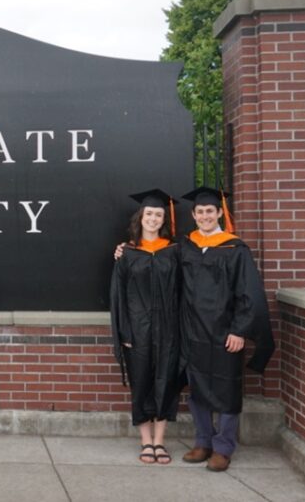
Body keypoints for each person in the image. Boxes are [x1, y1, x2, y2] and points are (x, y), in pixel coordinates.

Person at [177, 187, 274, 473]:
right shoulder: (186, 246)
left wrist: (240, 330)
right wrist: (123, 251)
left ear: (220, 213)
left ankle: (223, 447)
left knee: (227, 388)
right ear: (193, 215)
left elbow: (249, 294)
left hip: (224, 333)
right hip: (193, 332)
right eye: (200, 212)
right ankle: (203, 441)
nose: (205, 216)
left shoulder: (235, 249)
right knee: (197, 390)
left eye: (210, 211)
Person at [109, 189, 182, 465]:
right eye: (149, 214)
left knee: (165, 382)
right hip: (137, 331)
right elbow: (118, 296)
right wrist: (125, 331)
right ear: (140, 217)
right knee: (141, 384)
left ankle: (160, 442)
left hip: (168, 329)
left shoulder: (174, 251)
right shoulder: (126, 253)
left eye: (158, 215)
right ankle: (145, 442)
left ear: (164, 220)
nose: (153, 219)